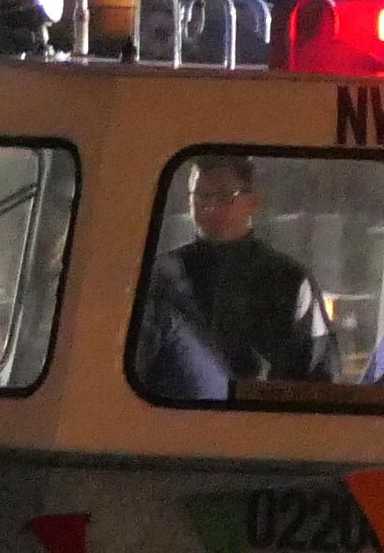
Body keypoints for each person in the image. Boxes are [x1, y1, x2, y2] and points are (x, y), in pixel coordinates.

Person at [132, 155, 337, 401]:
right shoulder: (161, 274)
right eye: (199, 196)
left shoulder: (288, 279)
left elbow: (318, 372)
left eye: (222, 196)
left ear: (253, 201)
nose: (208, 207)